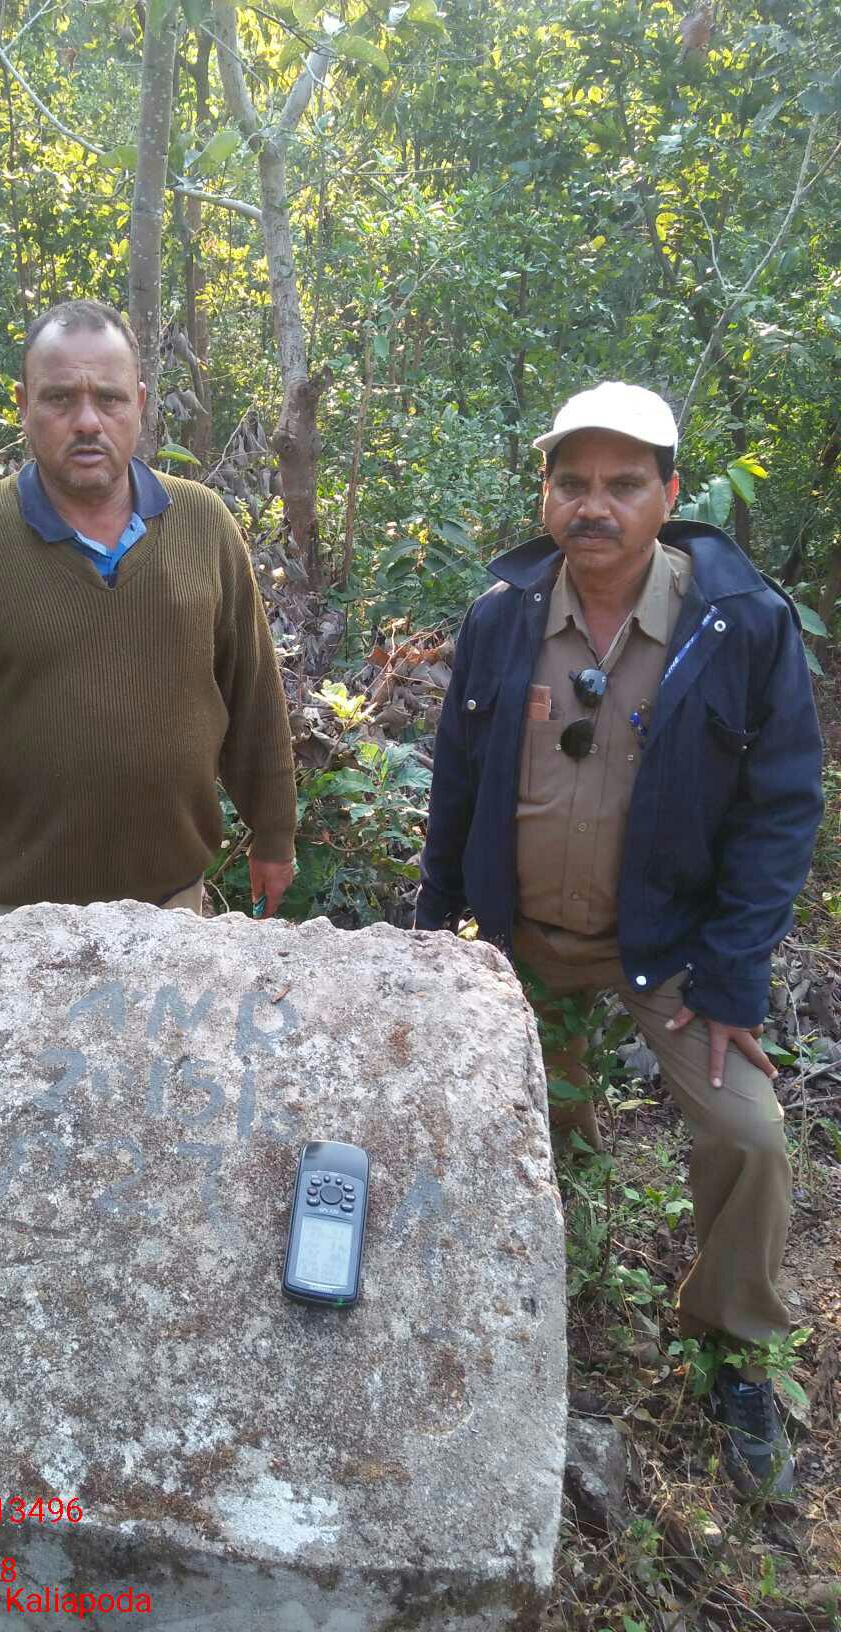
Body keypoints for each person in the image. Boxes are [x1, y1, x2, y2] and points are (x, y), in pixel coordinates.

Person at [414, 381, 823, 1495]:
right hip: (523, 936)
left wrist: (733, 977)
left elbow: (783, 806)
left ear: (669, 494)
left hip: (672, 949)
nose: (594, 506)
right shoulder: (504, 614)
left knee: (751, 1138)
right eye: (573, 483)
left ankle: (733, 1345)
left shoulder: (740, 625)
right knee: (527, 1119)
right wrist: (433, 934)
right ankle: (542, 1272)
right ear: (546, 494)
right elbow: (458, 779)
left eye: (623, 484)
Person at [0, 299, 296, 1011]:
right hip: (13, 928)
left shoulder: (203, 525)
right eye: (59, 398)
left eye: (108, 398)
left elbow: (254, 699)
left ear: (139, 403)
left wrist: (274, 836)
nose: (86, 421)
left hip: (171, 912)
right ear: (23, 406)